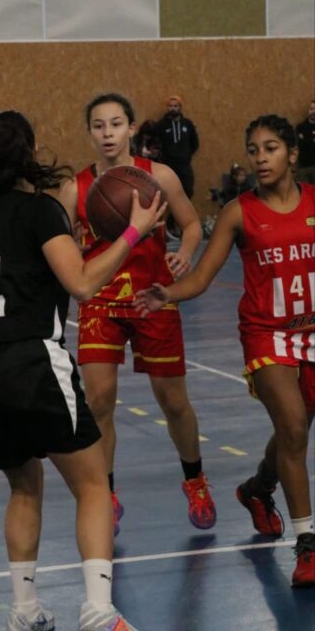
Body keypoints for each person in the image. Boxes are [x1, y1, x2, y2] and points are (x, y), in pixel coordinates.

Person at [0, 110, 166, 631]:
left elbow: (12, 272)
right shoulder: (40, 210)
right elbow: (82, 284)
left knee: (23, 487)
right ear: (30, 152)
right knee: (93, 486)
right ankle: (99, 610)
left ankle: (24, 611)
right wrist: (133, 232)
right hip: (28, 360)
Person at [135, 114, 315, 587]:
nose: (260, 158)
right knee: (293, 426)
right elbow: (200, 277)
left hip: (312, 332)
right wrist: (167, 294)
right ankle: (307, 546)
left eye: (271, 148)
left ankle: (258, 488)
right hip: (266, 334)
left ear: (293, 154)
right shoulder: (239, 212)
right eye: (253, 150)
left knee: (294, 432)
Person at [59, 92, 216, 537]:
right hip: (100, 302)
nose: (107, 133)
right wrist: (72, 248)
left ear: (131, 128)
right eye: (98, 126)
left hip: (153, 298)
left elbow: (191, 224)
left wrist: (184, 254)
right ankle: (105, 495)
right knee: (99, 401)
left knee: (173, 402)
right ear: (89, 133)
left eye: (115, 124)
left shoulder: (159, 176)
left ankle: (195, 479)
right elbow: (60, 243)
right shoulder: (75, 188)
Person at [156, 95, 199, 199]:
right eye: (170, 106)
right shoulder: (161, 125)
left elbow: (195, 143)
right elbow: (156, 143)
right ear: (167, 107)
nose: (173, 108)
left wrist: (186, 155)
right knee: (167, 192)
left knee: (188, 190)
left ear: (180, 107)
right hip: (168, 165)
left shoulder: (187, 124)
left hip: (184, 164)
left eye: (175, 106)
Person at [295, 99, 315, 184]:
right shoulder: (300, 127)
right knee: (303, 191)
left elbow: (305, 144)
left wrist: (305, 140)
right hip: (303, 168)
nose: (313, 112)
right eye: (311, 109)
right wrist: (312, 141)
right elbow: (299, 145)